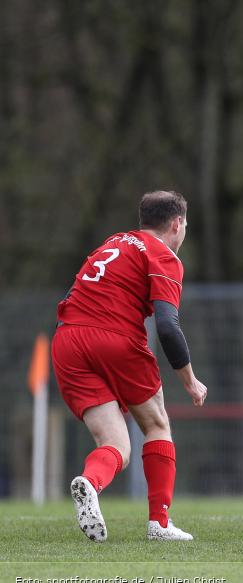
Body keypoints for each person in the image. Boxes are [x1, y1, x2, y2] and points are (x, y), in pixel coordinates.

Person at [52, 190, 208, 543]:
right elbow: (168, 326)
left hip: (67, 340)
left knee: (115, 445)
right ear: (177, 223)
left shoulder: (115, 241)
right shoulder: (163, 255)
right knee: (156, 424)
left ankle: (89, 483)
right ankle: (159, 523)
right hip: (114, 338)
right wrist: (190, 380)